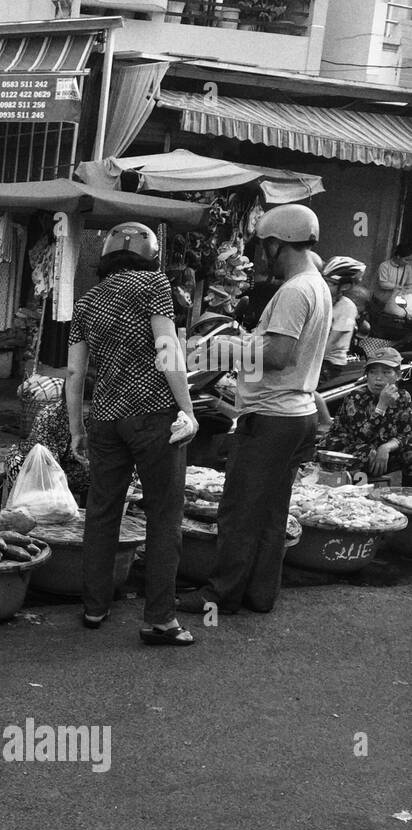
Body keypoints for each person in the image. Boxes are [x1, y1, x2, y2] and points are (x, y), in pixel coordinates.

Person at [179, 203, 329, 617]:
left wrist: (222, 350)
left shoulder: (295, 290)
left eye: (263, 247)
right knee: (270, 512)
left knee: (240, 511)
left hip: (272, 417)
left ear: (277, 244)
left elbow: (278, 354)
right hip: (296, 414)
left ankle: (219, 595)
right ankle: (260, 595)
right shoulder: (317, 285)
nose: (261, 256)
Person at [66, 221, 197, 646]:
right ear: (151, 255)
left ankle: (94, 607)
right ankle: (159, 620)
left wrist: (76, 428)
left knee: (102, 514)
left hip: (105, 419)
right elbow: (166, 350)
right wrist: (188, 409)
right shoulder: (153, 283)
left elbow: (74, 373)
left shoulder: (86, 301)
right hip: (153, 416)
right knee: (163, 518)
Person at [320, 347, 412, 479]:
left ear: (398, 375)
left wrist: (387, 447)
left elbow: (406, 433)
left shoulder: (404, 397)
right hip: (349, 447)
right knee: (368, 452)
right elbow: (362, 437)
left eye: (386, 373)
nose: (378, 378)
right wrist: (382, 405)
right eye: (373, 372)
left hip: (383, 449)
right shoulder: (356, 397)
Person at [321, 256, 364, 377]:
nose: (324, 285)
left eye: (330, 283)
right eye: (323, 281)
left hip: (328, 363)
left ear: (344, 286)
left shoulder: (346, 307)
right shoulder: (320, 299)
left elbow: (331, 343)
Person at [375, 239, 412, 325]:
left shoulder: (408, 268)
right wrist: (398, 287)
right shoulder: (384, 266)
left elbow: (410, 285)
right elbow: (383, 284)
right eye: (406, 260)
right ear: (398, 257)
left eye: (410, 260)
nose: (408, 263)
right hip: (381, 302)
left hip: (396, 303)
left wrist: (407, 290)